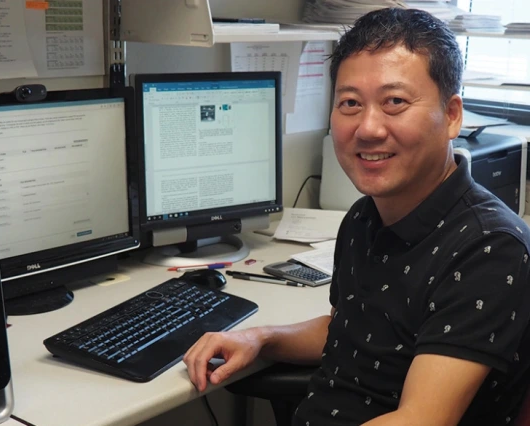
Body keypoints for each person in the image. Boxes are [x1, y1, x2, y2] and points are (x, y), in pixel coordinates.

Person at [184, 7, 530, 425]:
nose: (367, 128)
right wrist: (261, 338)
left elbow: (421, 420)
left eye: (395, 102)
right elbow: (350, 331)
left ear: (452, 115)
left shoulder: (489, 248)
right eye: (350, 103)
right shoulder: (365, 217)